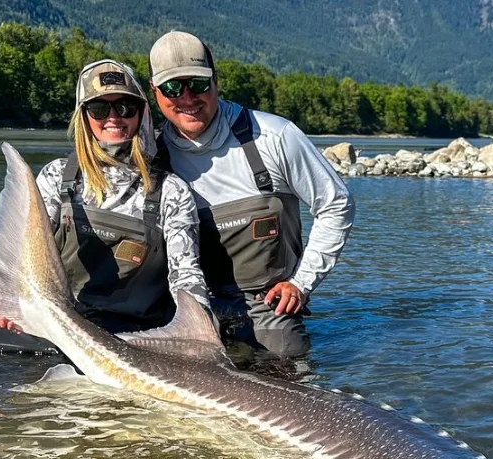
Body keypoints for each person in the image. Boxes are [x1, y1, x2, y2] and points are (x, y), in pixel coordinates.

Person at [148, 31, 355, 359]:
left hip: (268, 309)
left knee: (295, 396)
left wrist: (302, 283)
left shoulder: (274, 136)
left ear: (216, 81)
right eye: (173, 87)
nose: (187, 97)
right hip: (191, 312)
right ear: (154, 92)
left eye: (198, 84)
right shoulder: (151, 154)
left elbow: (336, 204)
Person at [0, 58, 209, 352]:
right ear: (83, 116)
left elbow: (186, 276)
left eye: (125, 107)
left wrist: (202, 334)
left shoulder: (171, 191)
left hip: (131, 341)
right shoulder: (56, 178)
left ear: (142, 113)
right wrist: (7, 303)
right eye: (99, 108)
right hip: (55, 330)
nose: (114, 118)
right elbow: (20, 258)